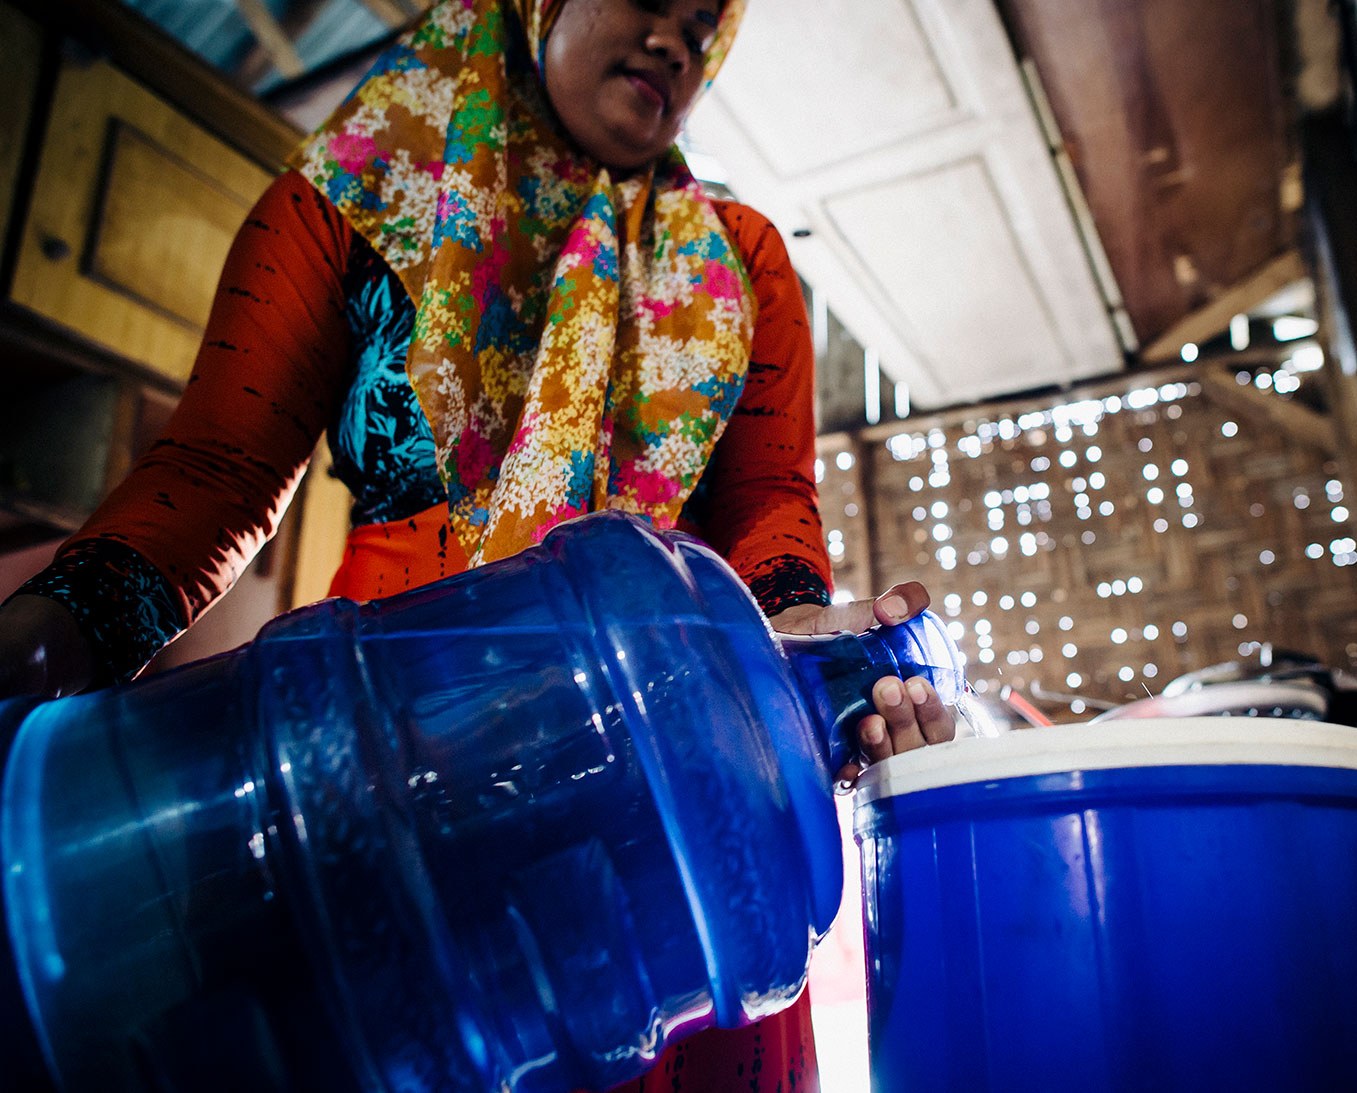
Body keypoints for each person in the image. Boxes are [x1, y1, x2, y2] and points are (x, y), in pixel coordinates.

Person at [0, 0, 955, 1088]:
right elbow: (216, 473)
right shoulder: (355, 200)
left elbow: (769, 499)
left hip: (675, 797)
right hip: (386, 760)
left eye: (703, 24)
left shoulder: (737, 263)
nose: (674, 44)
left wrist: (795, 627)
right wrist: (49, 635)